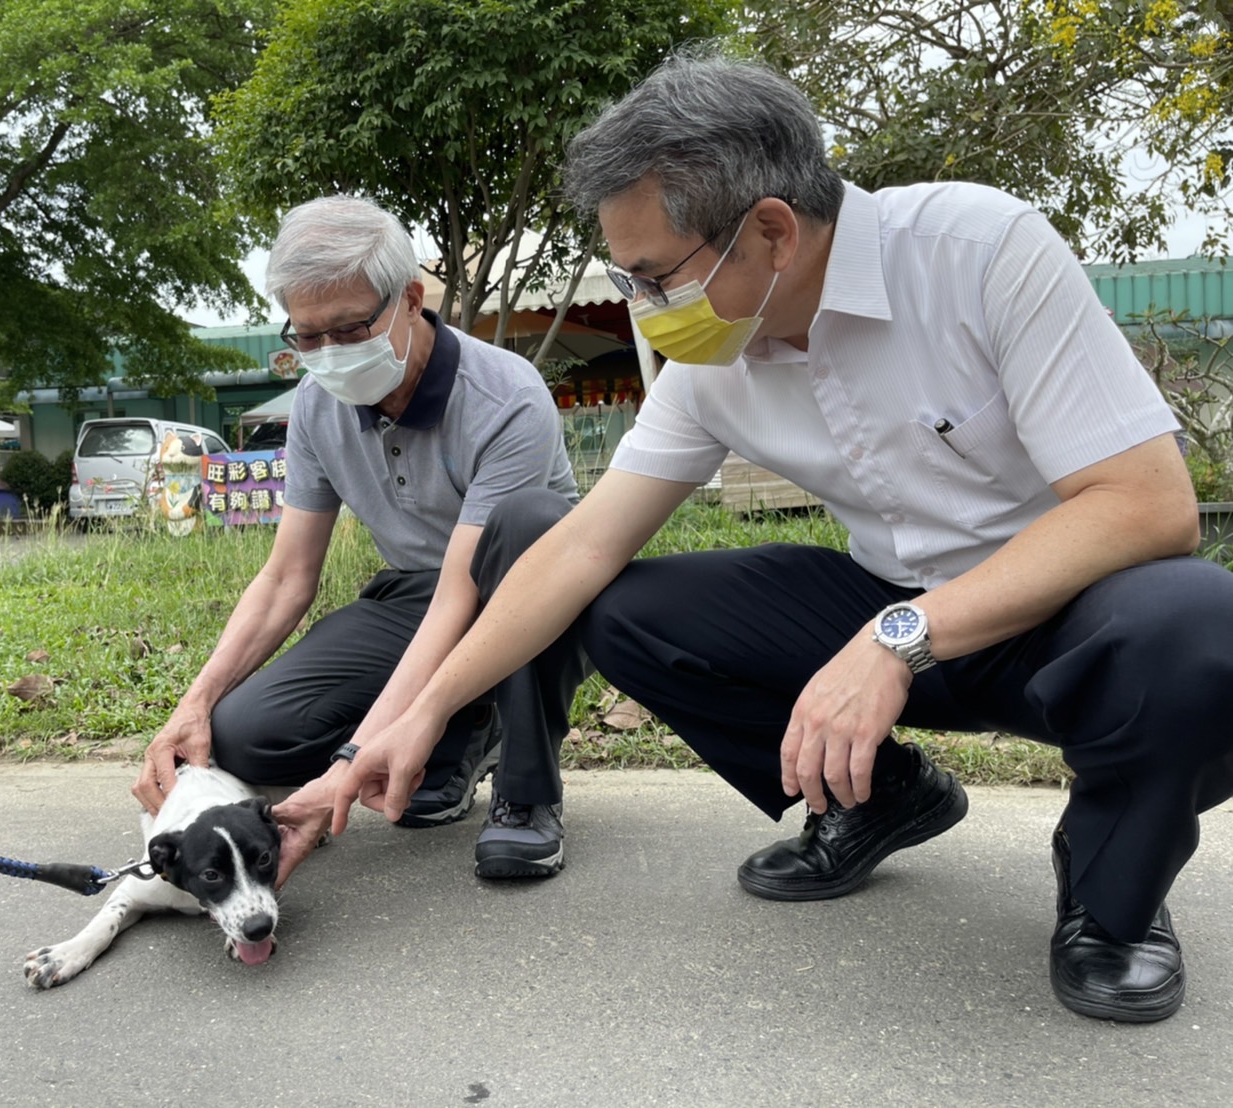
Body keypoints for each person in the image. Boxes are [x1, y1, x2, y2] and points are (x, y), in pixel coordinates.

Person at [329, 52, 1233, 1024]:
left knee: (1196, 622)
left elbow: (1143, 504)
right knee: (624, 608)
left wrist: (898, 638)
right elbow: (579, 545)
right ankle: (878, 795)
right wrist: (419, 714)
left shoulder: (977, 252)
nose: (641, 305)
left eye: (651, 275)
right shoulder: (716, 352)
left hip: (1064, 616)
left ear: (768, 230)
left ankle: (1111, 901)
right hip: (885, 603)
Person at [132, 195, 587, 884]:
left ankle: (526, 790)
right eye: (307, 336)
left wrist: (350, 762)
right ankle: (462, 731)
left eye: (348, 330)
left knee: (525, 525)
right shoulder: (318, 407)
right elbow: (287, 576)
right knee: (243, 733)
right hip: (415, 594)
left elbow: (464, 595)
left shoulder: (506, 397)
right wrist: (192, 704)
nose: (328, 354)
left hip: (533, 594)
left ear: (409, 298)